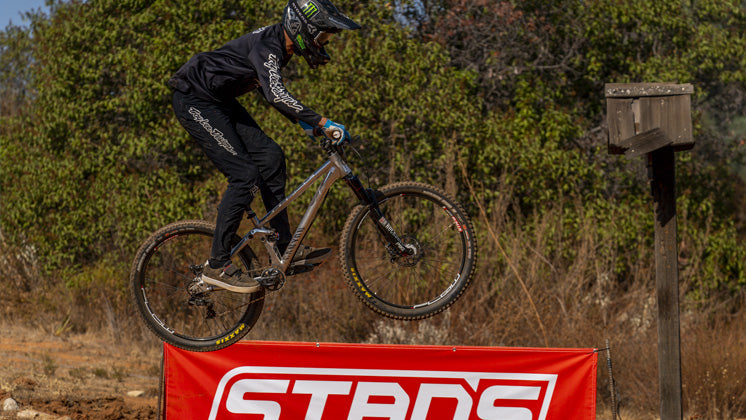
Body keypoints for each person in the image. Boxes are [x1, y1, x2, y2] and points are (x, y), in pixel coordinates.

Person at [168, 0, 361, 289]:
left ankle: (284, 247)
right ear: (302, 29)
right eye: (322, 36)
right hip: (193, 98)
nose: (324, 43)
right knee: (244, 176)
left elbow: (265, 88)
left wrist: (304, 122)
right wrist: (321, 122)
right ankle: (217, 264)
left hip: (218, 101)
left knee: (271, 157)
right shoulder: (269, 47)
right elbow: (275, 94)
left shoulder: (279, 47)